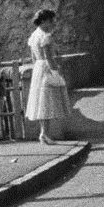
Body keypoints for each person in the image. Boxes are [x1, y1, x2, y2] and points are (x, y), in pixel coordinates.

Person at [25, 8, 71, 144]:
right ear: (43, 21)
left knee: (41, 102)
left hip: (38, 68)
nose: (52, 23)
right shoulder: (45, 36)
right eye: (50, 20)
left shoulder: (33, 36)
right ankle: (44, 134)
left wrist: (37, 69)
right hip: (46, 67)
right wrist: (55, 72)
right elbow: (49, 57)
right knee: (47, 102)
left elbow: (33, 57)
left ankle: (43, 133)